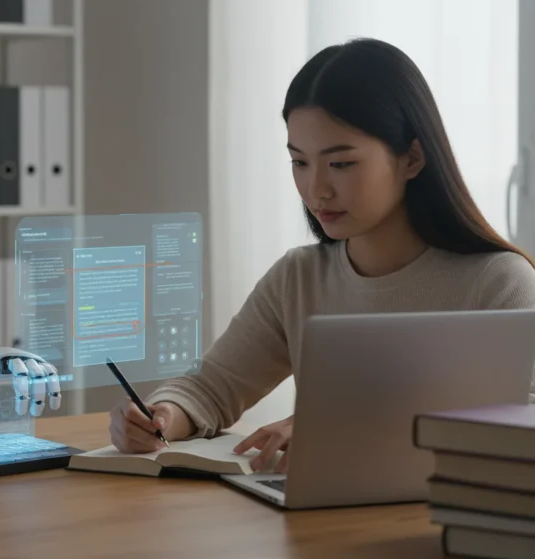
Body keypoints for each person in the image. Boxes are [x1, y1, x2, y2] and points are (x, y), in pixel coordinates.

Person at [108, 37, 535, 473]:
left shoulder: (498, 281)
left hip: (447, 525)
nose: (316, 190)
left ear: (412, 158)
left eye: (341, 164)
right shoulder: (299, 278)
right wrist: (160, 415)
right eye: (300, 163)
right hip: (317, 525)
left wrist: (336, 428)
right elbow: (212, 388)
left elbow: (526, 426)